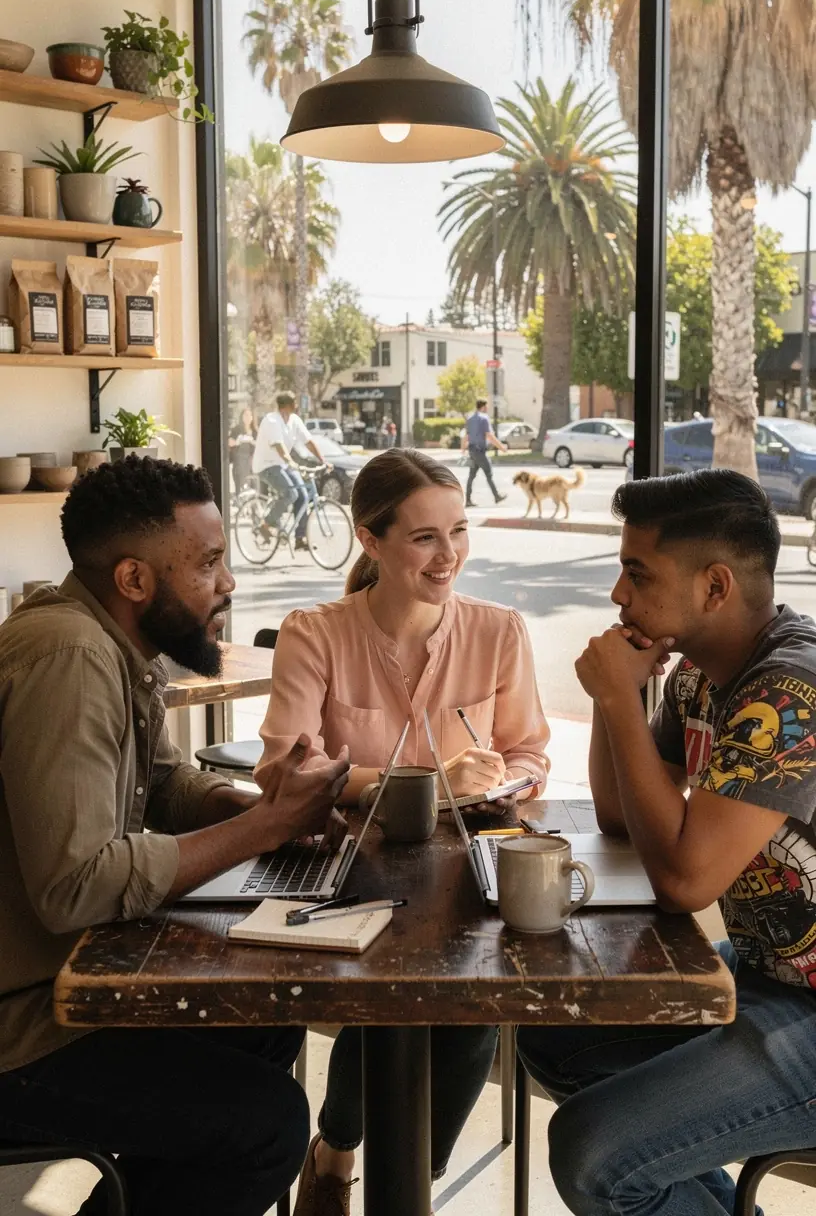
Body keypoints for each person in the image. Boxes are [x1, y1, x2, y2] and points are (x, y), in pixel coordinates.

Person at [0, 456, 350, 1216]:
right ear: (133, 580)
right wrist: (264, 827)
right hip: (18, 1029)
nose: (227, 584)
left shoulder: (111, 645)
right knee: (266, 1126)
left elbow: (161, 785)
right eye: (210, 563)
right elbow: (76, 885)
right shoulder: (70, 656)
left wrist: (258, 802)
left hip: (61, 986)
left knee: (264, 1023)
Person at [256, 447, 550, 1216]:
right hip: (347, 869)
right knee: (389, 989)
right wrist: (420, 785)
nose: (447, 554)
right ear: (370, 540)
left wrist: (503, 780)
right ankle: (344, 1151)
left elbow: (528, 752)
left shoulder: (500, 632)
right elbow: (285, 770)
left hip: (465, 868)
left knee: (476, 1001)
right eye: (423, 537)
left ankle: (401, 1179)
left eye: (458, 531)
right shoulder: (314, 632)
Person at [518, 469, 816, 1216]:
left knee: (594, 1155)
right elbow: (622, 816)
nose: (619, 594)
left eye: (636, 572)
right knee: (557, 1036)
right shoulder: (699, 677)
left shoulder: (788, 692)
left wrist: (617, 696)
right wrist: (620, 696)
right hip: (768, 978)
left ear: (715, 587)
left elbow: (687, 881)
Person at [253, 393, 330, 547]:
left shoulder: (295, 420)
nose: (298, 405)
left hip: (283, 465)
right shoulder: (272, 420)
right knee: (290, 493)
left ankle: (300, 538)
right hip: (266, 465)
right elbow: (279, 446)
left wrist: (323, 460)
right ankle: (265, 524)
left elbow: (308, 441)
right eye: (295, 402)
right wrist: (291, 462)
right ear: (286, 405)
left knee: (302, 495)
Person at [461, 398, 507, 507]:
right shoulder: (484, 418)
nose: (487, 408)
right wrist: (501, 447)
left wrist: (463, 449)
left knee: (471, 475)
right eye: (487, 406)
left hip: (472, 451)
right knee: (488, 473)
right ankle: (496, 496)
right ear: (483, 407)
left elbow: (466, 436)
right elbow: (489, 435)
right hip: (480, 451)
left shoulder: (470, 418)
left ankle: (467, 500)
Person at [228, 405, 257, 495]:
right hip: (239, 460)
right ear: (242, 417)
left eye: (249, 415)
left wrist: (252, 441)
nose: (248, 417)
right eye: (245, 415)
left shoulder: (255, 431)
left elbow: (259, 445)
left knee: (251, 483)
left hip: (251, 460)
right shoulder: (236, 429)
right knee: (240, 484)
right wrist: (238, 441)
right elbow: (229, 442)